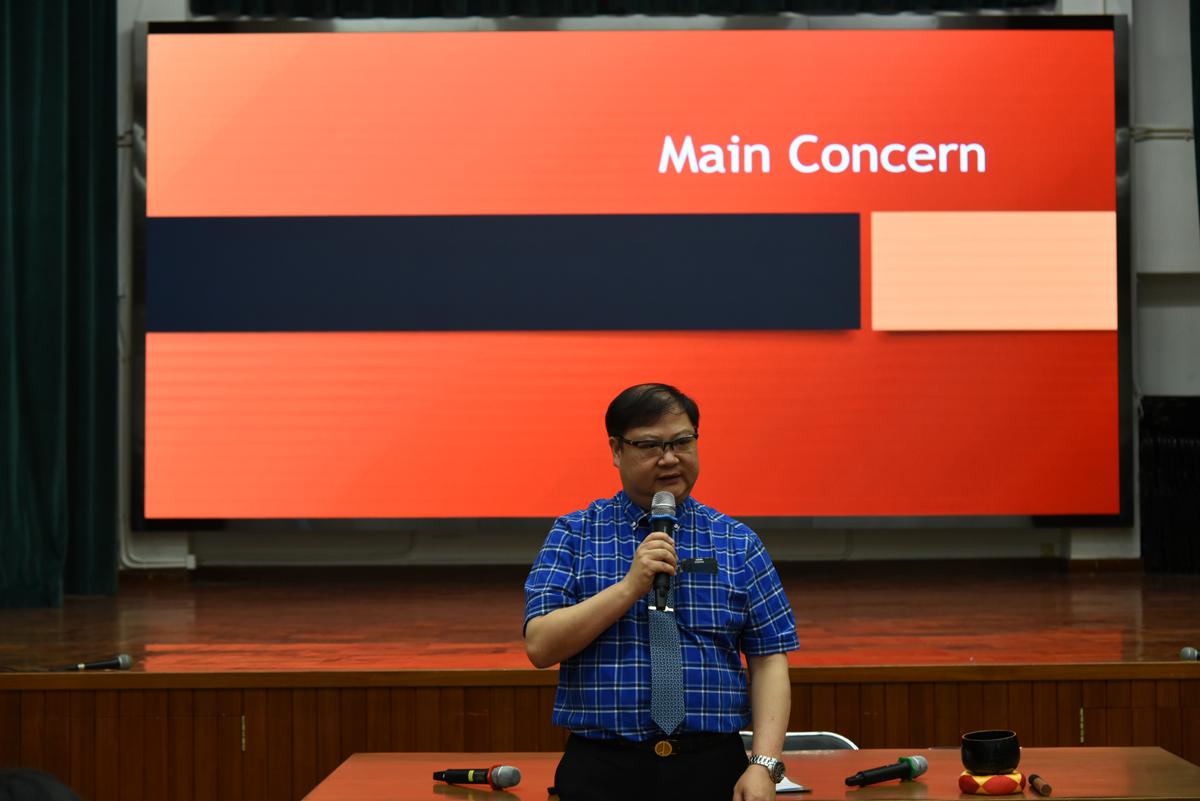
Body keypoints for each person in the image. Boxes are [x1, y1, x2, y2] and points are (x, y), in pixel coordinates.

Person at [524, 383, 798, 801]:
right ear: (617, 450)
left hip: (713, 767)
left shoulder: (737, 542)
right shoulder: (574, 535)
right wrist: (629, 587)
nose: (669, 458)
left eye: (682, 442)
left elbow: (769, 659)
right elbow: (541, 646)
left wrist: (764, 764)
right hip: (602, 768)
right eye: (650, 445)